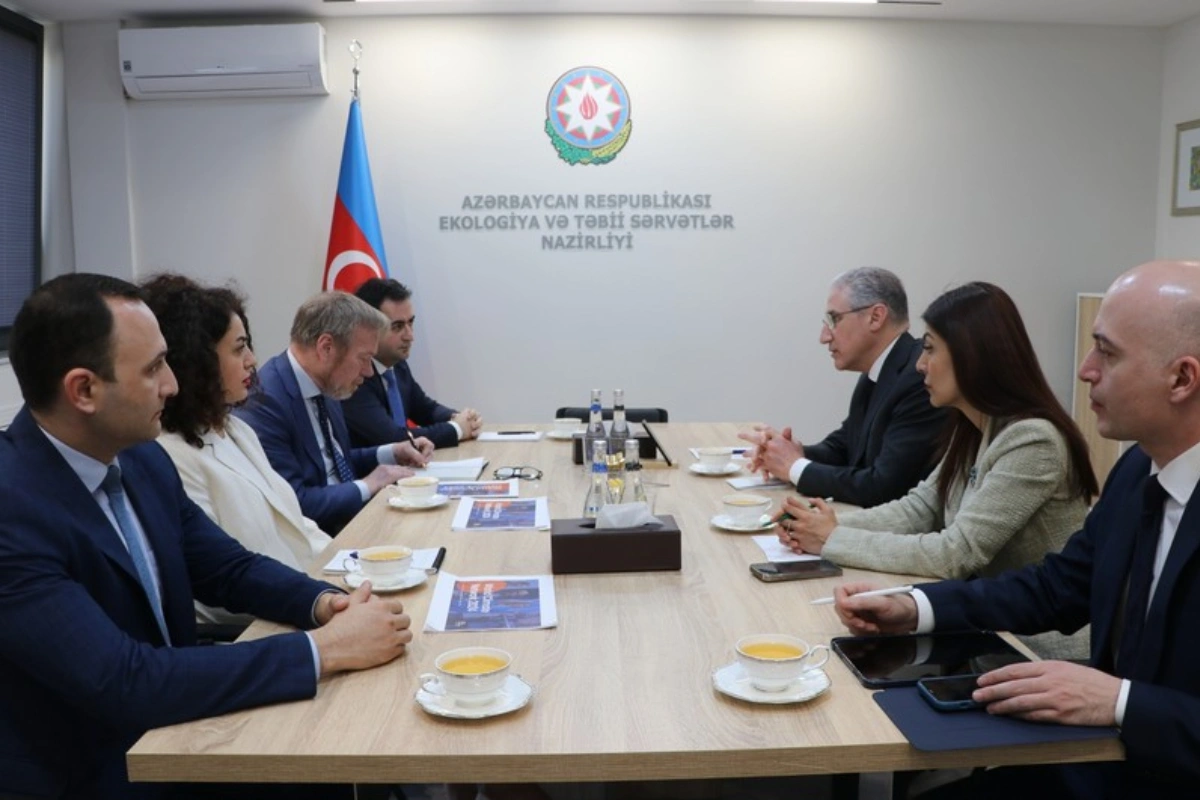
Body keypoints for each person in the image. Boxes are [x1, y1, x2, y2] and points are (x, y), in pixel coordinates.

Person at [0, 274, 413, 800]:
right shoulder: (12, 511)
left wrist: (324, 603)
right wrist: (321, 650)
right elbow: (125, 681)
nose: (172, 384)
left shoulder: (142, 459)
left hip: (174, 735)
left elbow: (227, 568)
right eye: (153, 369)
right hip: (92, 772)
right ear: (83, 390)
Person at [832, 260, 1200, 797]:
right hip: (1101, 758)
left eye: (1108, 352)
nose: (1085, 370)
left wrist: (1120, 701)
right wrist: (915, 606)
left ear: (1182, 378)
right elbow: (1056, 588)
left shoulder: (1038, 439)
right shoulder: (1137, 471)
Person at [777, 283, 1097, 659]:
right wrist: (820, 525)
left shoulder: (1032, 440)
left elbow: (956, 552)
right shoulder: (975, 428)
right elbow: (920, 509)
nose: (919, 364)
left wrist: (832, 540)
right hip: (986, 627)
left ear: (971, 356)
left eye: (929, 348)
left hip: (1039, 647)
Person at [143, 274, 332, 625]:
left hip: (305, 599)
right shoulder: (169, 455)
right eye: (238, 348)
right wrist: (321, 602)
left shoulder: (237, 430)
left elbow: (294, 525)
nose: (252, 360)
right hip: (263, 627)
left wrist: (353, 569)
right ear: (198, 362)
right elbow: (214, 588)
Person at [741, 267, 945, 507]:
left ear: (876, 317)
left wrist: (794, 467)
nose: (824, 337)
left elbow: (884, 487)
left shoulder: (917, 377)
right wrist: (790, 453)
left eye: (833, 319)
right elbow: (847, 447)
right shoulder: (881, 368)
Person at [236, 291, 433, 534]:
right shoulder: (265, 401)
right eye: (364, 358)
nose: (369, 372)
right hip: (324, 538)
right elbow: (294, 503)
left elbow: (334, 460)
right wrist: (368, 485)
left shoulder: (327, 380)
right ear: (326, 347)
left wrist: (391, 452)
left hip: (354, 519)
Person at [342, 278, 482, 449]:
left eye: (410, 323)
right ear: (369, 328)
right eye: (398, 327)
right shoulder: (354, 375)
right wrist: (456, 429)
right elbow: (393, 438)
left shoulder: (397, 363)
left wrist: (460, 418)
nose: (410, 336)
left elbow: (425, 408)